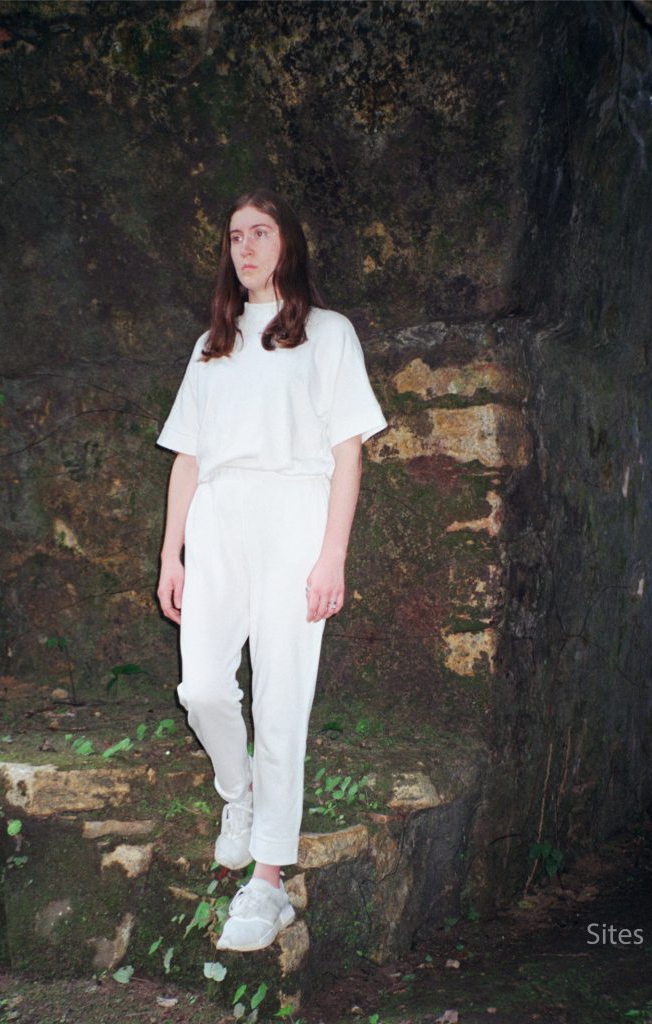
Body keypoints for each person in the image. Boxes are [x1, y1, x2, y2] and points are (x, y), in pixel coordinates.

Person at [156, 187, 387, 952]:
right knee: (201, 688)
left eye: (260, 232)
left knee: (282, 698)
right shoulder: (211, 345)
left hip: (295, 517)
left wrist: (332, 555)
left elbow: (348, 452)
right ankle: (240, 790)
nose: (246, 247)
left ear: (288, 242)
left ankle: (268, 881)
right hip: (218, 521)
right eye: (235, 236)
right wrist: (172, 551)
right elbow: (188, 457)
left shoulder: (328, 334)